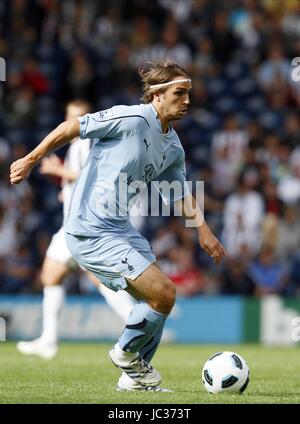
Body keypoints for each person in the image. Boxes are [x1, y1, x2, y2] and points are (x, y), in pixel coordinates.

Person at [10, 60, 226, 392]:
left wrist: (203, 230)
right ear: (157, 95)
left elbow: (179, 192)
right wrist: (31, 159)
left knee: (161, 300)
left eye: (188, 94)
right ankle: (125, 354)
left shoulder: (172, 147)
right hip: (90, 227)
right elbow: (72, 127)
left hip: (120, 228)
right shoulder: (131, 118)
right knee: (164, 292)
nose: (186, 101)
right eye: (179, 93)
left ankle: (133, 378)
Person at [16, 100, 135, 360]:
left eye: (79, 117)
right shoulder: (76, 145)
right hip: (74, 222)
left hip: (83, 224)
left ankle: (137, 325)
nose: (73, 122)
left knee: (98, 279)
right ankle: (48, 340)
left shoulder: (86, 142)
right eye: (70, 116)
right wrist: (66, 193)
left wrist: (59, 171)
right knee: (52, 275)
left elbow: (91, 177)